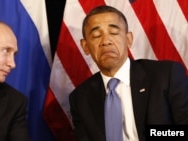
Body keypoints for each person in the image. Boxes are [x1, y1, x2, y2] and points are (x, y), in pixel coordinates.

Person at [69, 5, 188, 141]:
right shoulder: (80, 98)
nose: (106, 41)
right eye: (96, 36)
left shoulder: (166, 76)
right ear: (85, 46)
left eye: (113, 33)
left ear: (129, 39)